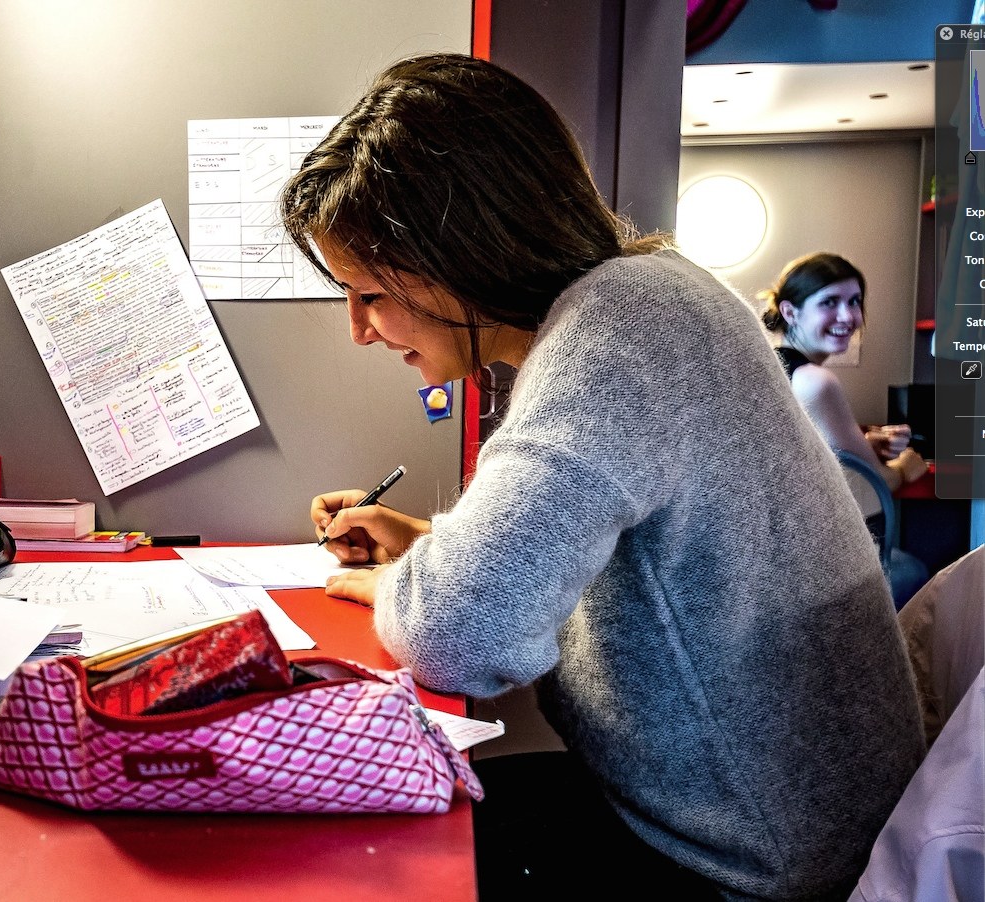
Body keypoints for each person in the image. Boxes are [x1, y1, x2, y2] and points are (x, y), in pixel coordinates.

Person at [282, 53, 925, 900]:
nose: (359, 330)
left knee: (362, 865)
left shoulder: (619, 330)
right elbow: (627, 560)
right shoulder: (653, 295)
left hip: (755, 867)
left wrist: (397, 584)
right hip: (772, 821)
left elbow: (461, 635)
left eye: (368, 293)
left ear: (460, 254)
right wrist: (428, 543)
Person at [760, 253, 930, 607]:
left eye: (854, 301)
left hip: (776, 555)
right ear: (790, 312)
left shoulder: (773, 369)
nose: (848, 316)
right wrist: (906, 466)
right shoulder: (817, 382)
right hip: (812, 562)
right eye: (829, 302)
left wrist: (866, 443)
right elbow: (877, 484)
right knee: (916, 570)